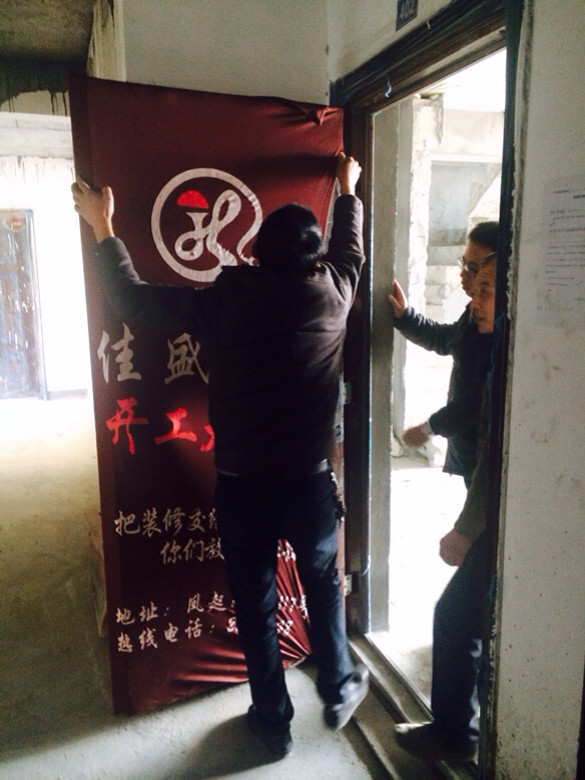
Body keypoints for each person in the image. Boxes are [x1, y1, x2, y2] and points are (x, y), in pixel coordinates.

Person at [72, 152, 369, 761]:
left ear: (255, 254)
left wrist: (104, 226)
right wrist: (347, 189)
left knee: (256, 607)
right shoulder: (335, 291)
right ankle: (339, 686)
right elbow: (351, 251)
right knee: (322, 587)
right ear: (314, 258)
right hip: (310, 486)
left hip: (243, 488)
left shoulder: (227, 299)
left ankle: (273, 725)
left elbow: (130, 299)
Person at [394, 253, 498, 762]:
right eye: (470, 275)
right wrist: (405, 317)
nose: (470, 291)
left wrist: (465, 529)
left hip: (493, 505)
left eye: (484, 284)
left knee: (456, 617)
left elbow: (496, 455)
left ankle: (457, 734)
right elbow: (444, 339)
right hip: (481, 486)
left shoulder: (509, 356)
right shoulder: (484, 332)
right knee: (472, 616)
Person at [388, 222, 499, 487]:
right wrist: (406, 317)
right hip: (468, 449)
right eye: (463, 263)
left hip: (484, 452)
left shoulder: (497, 328)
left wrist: (429, 428)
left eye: (473, 268)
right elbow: (448, 339)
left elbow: (474, 403)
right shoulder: (476, 311)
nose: (463, 274)